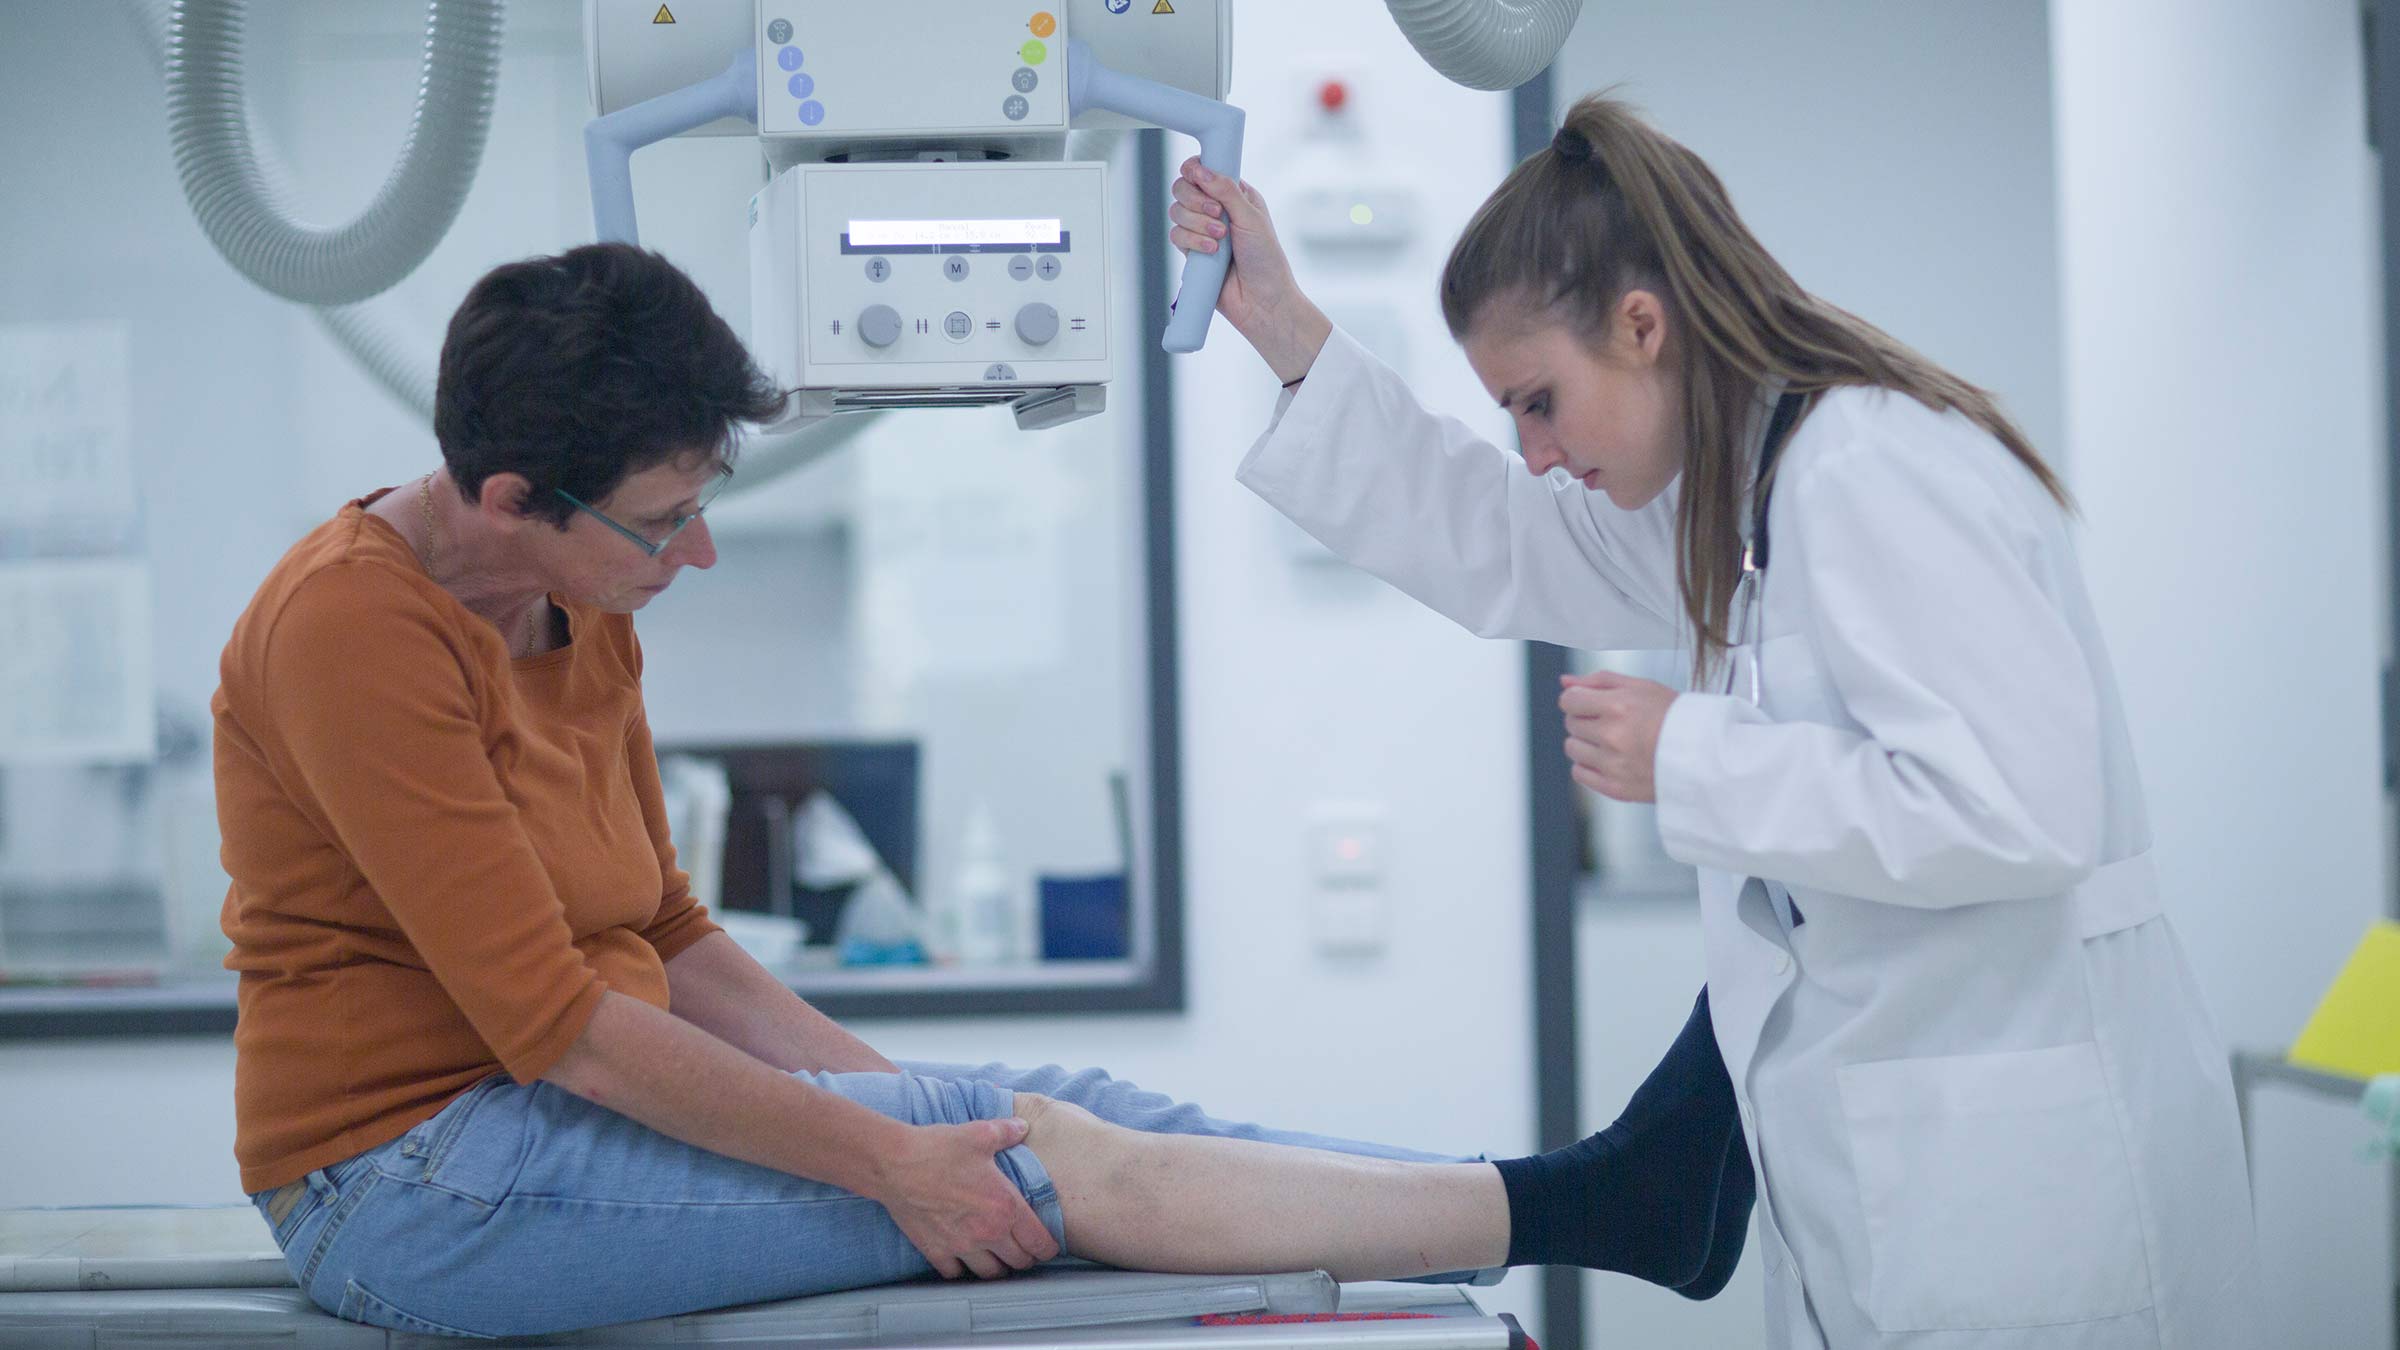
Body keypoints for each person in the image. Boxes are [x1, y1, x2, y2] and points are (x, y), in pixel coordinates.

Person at [212, 241, 1753, 1339]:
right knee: (1016, 1142)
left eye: (705, 502)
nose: (699, 554)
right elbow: (556, 1024)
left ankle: (1564, 1194)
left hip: (549, 1112)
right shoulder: (352, 629)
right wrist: (893, 1152)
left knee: (1059, 1118)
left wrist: (901, 1115)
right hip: (411, 1180)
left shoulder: (579, 599)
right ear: (505, 502)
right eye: (660, 520)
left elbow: (672, 938)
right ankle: (1587, 1208)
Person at [1167, 94, 2261, 1349]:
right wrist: (1293, 334)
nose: (1529, 450)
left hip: (2029, 1177)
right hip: (1911, 1169)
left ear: (1642, 327)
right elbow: (1503, 542)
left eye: (1538, 402)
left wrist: (1690, 755)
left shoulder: (1871, 467)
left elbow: (2023, 805)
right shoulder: (1736, 495)